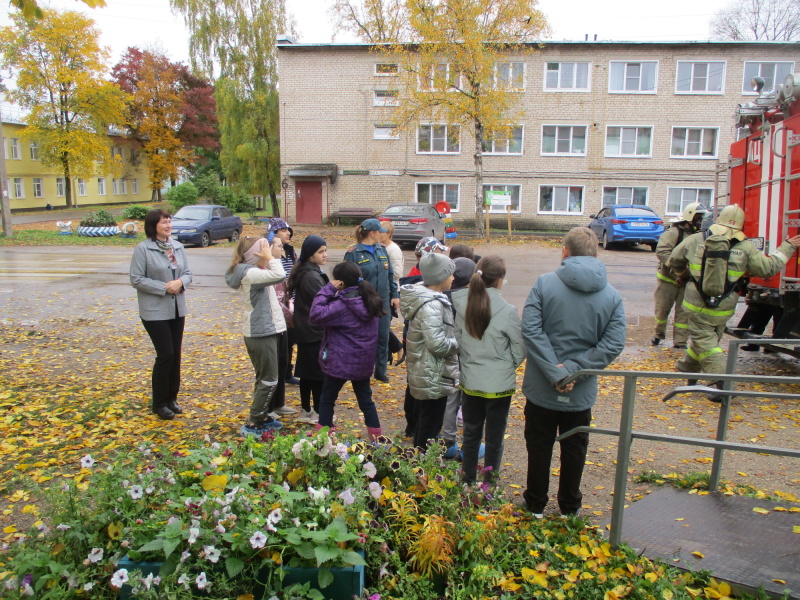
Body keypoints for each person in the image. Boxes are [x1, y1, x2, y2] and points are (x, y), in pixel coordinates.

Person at [521, 227, 626, 517]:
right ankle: (569, 507)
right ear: (596, 253)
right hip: (580, 389)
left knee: (539, 445)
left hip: (543, 386)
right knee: (575, 448)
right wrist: (574, 371)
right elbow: (613, 343)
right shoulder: (612, 296)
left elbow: (530, 330)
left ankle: (535, 504)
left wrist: (557, 372)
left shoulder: (544, 284)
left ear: (565, 251)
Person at [669, 205, 800, 397]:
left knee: (708, 345)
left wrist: (684, 274)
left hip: (695, 306)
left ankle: (722, 385)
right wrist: (787, 246)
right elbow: (768, 269)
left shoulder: (695, 239)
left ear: (719, 219)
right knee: (707, 341)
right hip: (724, 308)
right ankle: (689, 369)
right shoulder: (745, 247)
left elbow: (673, 260)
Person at [452, 256, 525, 485]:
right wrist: (506, 365)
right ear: (500, 281)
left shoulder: (463, 305)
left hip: (471, 381)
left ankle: (467, 480)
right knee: (494, 438)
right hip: (499, 385)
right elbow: (520, 348)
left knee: (471, 434)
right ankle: (489, 484)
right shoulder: (507, 310)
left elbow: (457, 340)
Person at [309, 261, 385, 439]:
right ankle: (377, 438)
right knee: (366, 401)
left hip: (340, 362)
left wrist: (328, 289)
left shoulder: (342, 305)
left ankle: (323, 437)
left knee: (327, 399)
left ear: (340, 282)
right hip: (362, 362)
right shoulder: (370, 300)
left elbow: (315, 314)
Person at [130, 209, 193, 420]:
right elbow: (136, 279)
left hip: (177, 309)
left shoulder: (177, 246)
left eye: (169, 221)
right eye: (163, 222)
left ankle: (172, 398)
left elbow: (188, 273)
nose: (167, 225)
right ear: (153, 225)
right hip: (154, 311)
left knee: (176, 355)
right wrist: (164, 287)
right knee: (165, 354)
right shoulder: (143, 249)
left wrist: (180, 282)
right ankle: (159, 403)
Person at [225, 237, 286, 437]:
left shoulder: (255, 272)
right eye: (264, 252)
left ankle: (262, 416)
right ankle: (253, 422)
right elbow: (280, 274)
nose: (268, 255)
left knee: (264, 378)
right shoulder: (250, 273)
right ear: (255, 255)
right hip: (260, 333)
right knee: (269, 380)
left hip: (266, 330)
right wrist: (271, 258)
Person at [400, 252, 459, 450]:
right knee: (429, 426)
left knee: (425, 421)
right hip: (432, 374)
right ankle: (422, 469)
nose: (453, 278)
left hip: (427, 371)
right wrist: (459, 343)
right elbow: (437, 344)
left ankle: (420, 465)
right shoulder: (432, 305)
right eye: (451, 274)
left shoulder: (429, 299)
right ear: (440, 277)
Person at [343, 218, 399, 382]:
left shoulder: (382, 250)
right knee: (362, 339)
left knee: (383, 337)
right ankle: (360, 370)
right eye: (379, 231)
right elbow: (346, 279)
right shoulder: (354, 253)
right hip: (363, 303)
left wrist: (395, 295)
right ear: (372, 233)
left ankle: (381, 372)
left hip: (383, 301)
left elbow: (390, 275)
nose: (382, 234)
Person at [286, 235, 329, 424]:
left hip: (307, 329)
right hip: (313, 331)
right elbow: (323, 299)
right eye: (321, 252)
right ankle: (318, 412)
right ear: (310, 255)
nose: (325, 255)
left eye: (325, 250)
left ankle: (306, 409)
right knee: (317, 375)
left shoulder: (308, 270)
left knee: (307, 373)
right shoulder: (311, 275)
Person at [652, 202, 707, 348]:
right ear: (690, 217)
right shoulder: (674, 233)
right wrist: (676, 270)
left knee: (683, 314)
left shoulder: (698, 236)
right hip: (668, 281)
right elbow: (662, 251)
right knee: (662, 310)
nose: (700, 221)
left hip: (687, 281)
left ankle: (680, 342)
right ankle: (658, 335)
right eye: (698, 217)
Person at [440, 257, 479, 459]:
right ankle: (469, 446)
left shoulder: (441, 297)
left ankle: (447, 440)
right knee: (470, 401)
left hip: (445, 354)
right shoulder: (473, 299)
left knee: (450, 397)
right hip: (468, 356)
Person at [266, 218, 300, 387]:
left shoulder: (291, 251)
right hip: (276, 300)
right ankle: (280, 373)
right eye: (283, 230)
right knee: (281, 339)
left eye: (289, 230)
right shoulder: (270, 253)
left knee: (291, 338)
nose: (288, 233)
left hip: (289, 297)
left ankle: (287, 372)